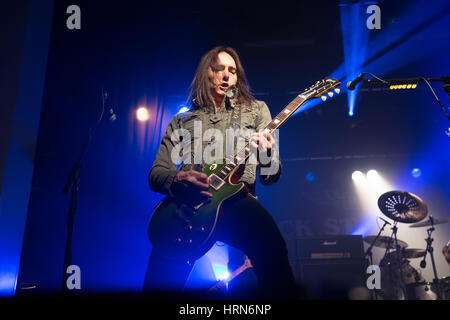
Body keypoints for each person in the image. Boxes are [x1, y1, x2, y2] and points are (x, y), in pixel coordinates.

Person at [143, 46, 297, 299]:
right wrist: (180, 178)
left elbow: (270, 176)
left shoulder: (257, 110)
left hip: (236, 200)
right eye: (220, 69)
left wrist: (267, 153)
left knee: (272, 248)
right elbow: (156, 173)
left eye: (233, 71)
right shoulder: (182, 120)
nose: (227, 75)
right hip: (186, 209)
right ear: (207, 73)